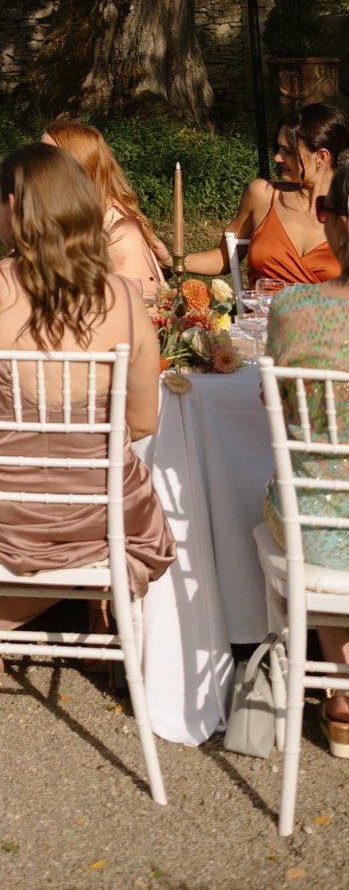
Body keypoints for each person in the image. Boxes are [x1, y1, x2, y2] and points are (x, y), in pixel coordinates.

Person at [0, 142, 174, 651]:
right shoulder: (124, 298)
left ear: (13, 206)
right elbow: (144, 423)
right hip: (100, 516)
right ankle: (92, 599)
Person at [262, 150, 349, 754]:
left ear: (334, 222)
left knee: (308, 495)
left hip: (316, 524)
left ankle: (342, 687)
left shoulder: (294, 309)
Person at [180, 103, 349, 288]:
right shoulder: (262, 196)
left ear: (322, 157)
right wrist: (176, 261)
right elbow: (224, 257)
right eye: (278, 149)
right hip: (262, 315)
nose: (277, 157)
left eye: (288, 151)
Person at [42, 119, 170, 295]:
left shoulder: (121, 232)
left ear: (78, 170)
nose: (35, 166)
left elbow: (145, 310)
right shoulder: (54, 213)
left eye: (46, 159)